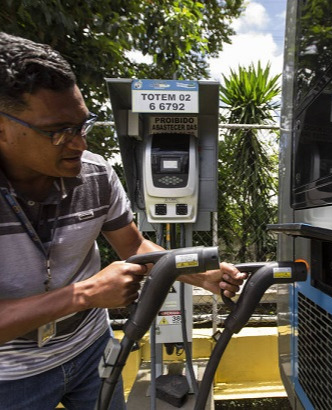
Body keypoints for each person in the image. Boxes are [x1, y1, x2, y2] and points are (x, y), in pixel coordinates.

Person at [0, 32, 246, 410]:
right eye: (57, 131)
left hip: (90, 351)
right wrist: (85, 295)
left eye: (83, 125)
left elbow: (133, 246)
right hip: (10, 377)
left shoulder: (95, 174)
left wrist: (200, 276)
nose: (79, 143)